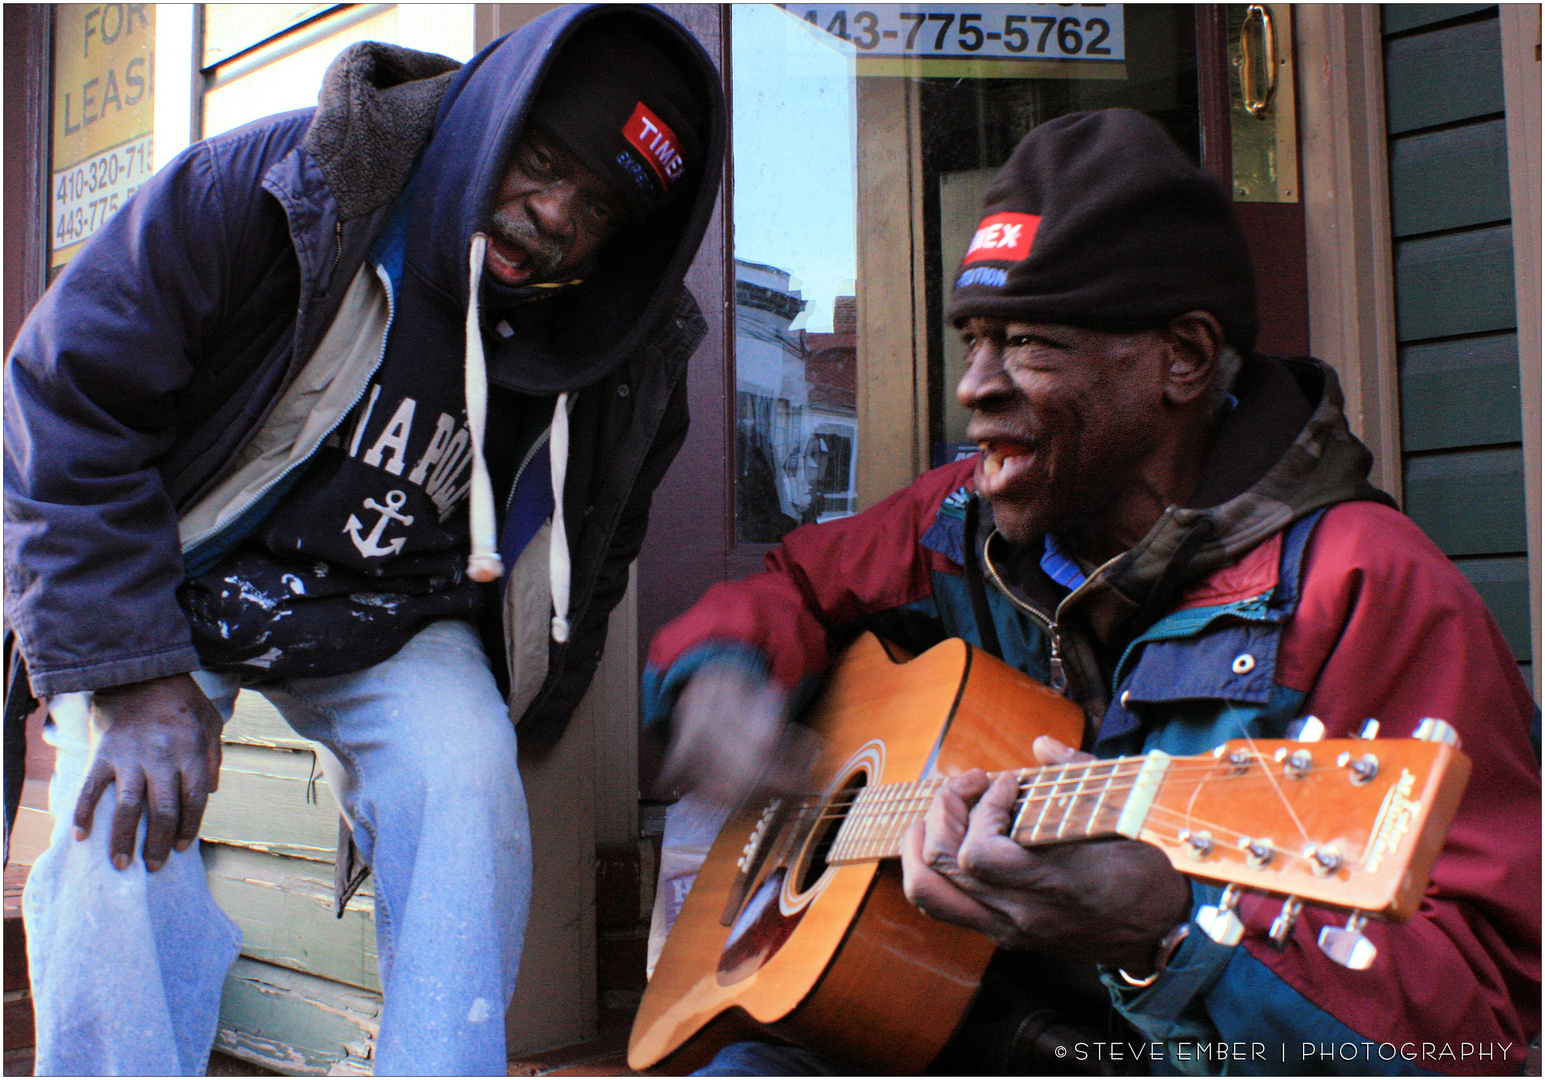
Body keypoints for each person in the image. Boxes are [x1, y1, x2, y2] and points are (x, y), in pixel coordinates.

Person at [644, 110, 1539, 1075]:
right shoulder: (963, 520)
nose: (971, 388)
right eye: (974, 339)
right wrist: (717, 677)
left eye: (1027, 344)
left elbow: (1483, 1034)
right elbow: (797, 584)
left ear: (1182, 359)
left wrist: (1168, 935)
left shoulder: (1360, 588)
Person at [4, 6, 724, 1075]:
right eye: (539, 159)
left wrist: (535, 703)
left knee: (470, 789)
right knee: (117, 835)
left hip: (391, 613)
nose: (552, 213)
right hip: (175, 567)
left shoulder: (626, 362)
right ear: (490, 114)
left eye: (600, 206)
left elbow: (595, 555)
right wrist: (130, 670)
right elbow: (62, 407)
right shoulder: (277, 187)